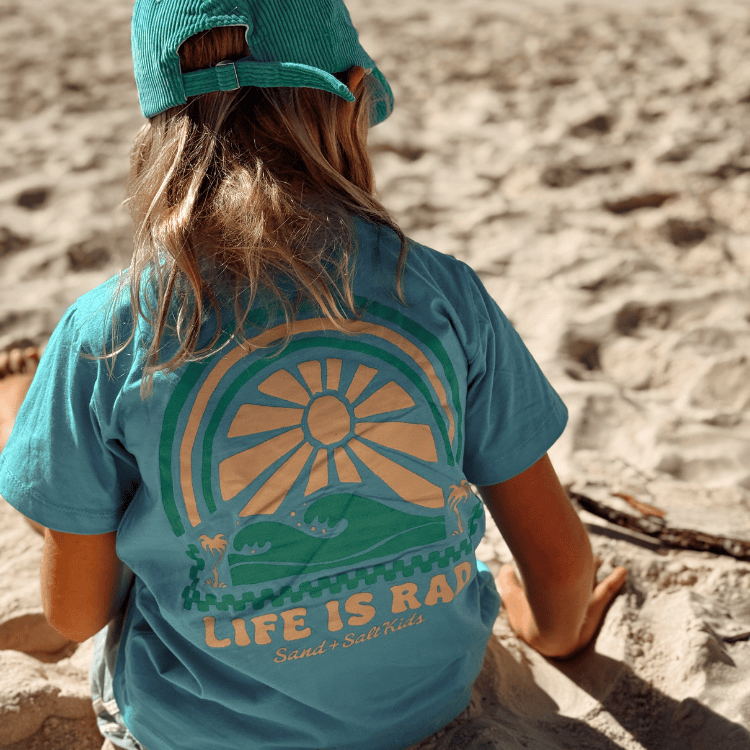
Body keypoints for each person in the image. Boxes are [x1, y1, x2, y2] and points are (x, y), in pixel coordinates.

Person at [0, 1, 627, 749]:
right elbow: (561, 569)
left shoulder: (105, 334)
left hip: (197, 733)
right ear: (355, 93)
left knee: (94, 497)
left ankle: (21, 419)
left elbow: (76, 616)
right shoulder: (443, 292)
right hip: (428, 709)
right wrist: (551, 632)